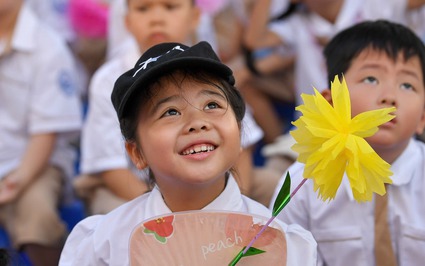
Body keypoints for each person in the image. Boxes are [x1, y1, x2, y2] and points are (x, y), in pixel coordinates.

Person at [59, 41, 317, 265]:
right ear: (136, 153)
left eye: (212, 104)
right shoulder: (103, 246)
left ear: (239, 132)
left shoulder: (286, 246)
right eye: (170, 112)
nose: (197, 121)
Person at [76, 0, 267, 215]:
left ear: (195, 17)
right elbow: (112, 169)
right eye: (143, 8)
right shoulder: (107, 80)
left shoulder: (212, 70)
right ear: (127, 22)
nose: (157, 19)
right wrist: (170, 216)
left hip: (217, 184)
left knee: (271, 186)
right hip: (137, 190)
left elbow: (242, 145)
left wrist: (234, 209)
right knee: (115, 215)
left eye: (170, 7)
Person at [270, 20, 425, 265]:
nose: (390, 96)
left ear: (423, 118)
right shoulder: (302, 184)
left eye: (407, 84)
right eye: (371, 79)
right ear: (330, 102)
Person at [0, 1, 82, 265]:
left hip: (33, 165)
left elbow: (45, 133)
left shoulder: (47, 47)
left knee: (36, 214)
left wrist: (15, 183)